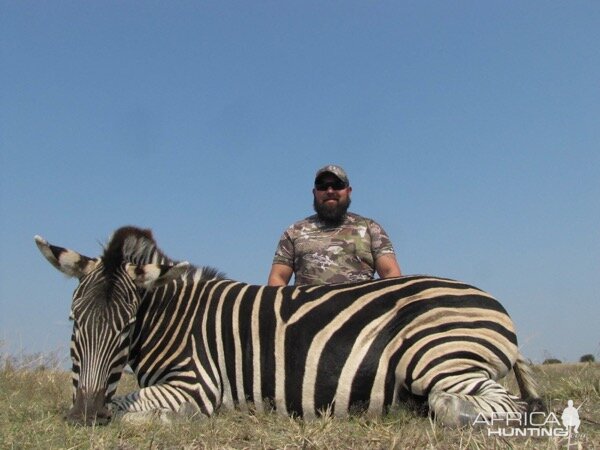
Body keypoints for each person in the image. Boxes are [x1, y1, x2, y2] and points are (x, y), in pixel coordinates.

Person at [268, 164, 402, 286]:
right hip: (308, 310)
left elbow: (391, 274)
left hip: (361, 311)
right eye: (322, 186)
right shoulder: (294, 232)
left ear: (348, 191)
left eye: (337, 185)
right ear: (314, 193)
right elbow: (277, 278)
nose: (330, 191)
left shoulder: (371, 228)